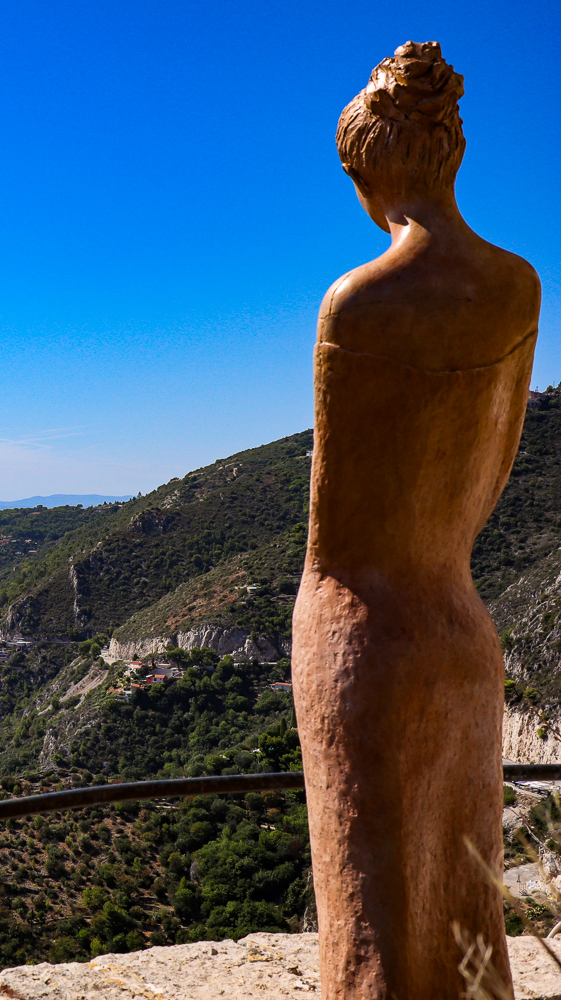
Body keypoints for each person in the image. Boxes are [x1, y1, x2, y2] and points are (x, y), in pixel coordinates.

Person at [293, 40, 541, 1000]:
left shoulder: (357, 304)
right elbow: (493, 469)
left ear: (368, 171)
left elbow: (337, 539)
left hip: (367, 637)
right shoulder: (519, 287)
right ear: (450, 154)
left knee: (375, 923)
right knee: (465, 901)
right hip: (462, 626)